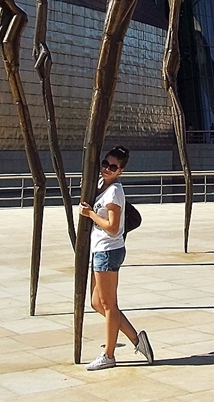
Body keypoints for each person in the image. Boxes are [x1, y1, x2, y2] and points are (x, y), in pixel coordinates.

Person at [80, 146, 154, 370]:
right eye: (105, 164)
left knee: (109, 305)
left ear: (120, 170)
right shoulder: (103, 186)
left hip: (108, 250)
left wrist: (90, 214)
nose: (107, 169)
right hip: (100, 250)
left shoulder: (114, 192)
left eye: (113, 167)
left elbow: (113, 228)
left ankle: (109, 355)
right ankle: (135, 338)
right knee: (96, 303)